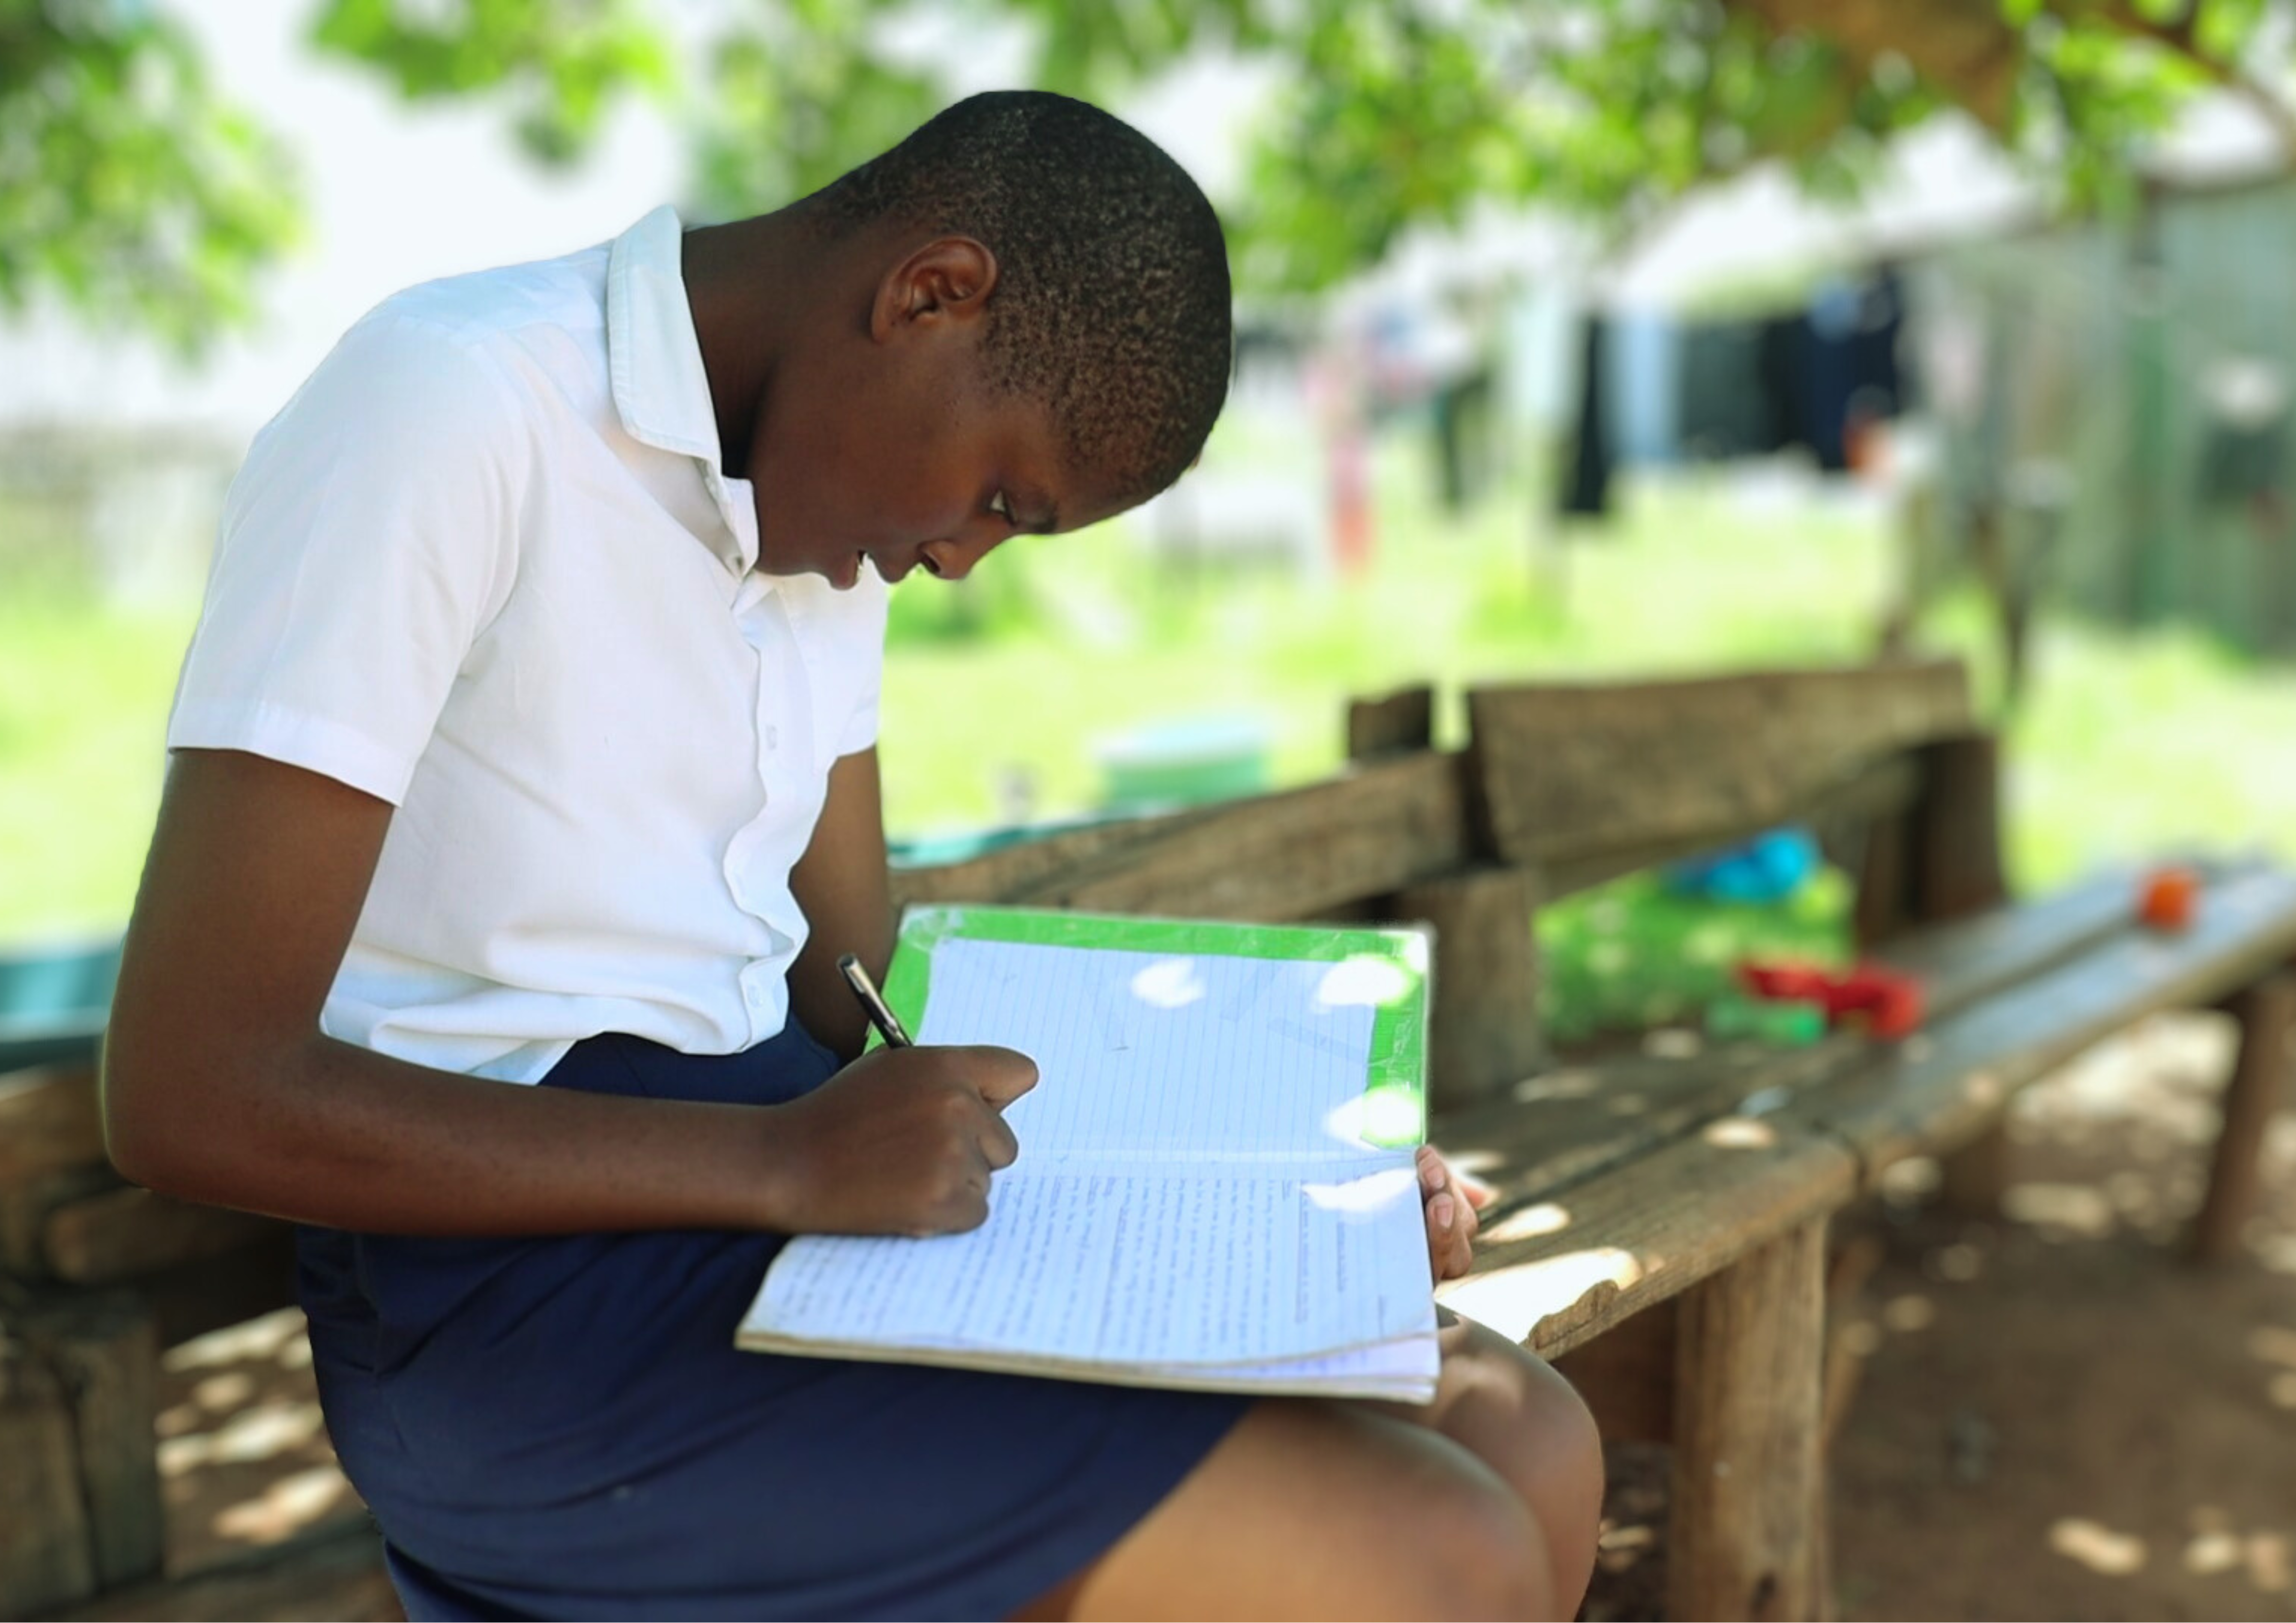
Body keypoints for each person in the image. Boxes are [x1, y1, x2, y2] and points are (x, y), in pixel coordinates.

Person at [102, 91, 1603, 1621]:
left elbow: (851, 988)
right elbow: (192, 1088)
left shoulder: (820, 512)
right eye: (1000, 499)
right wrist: (774, 1160)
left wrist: (1282, 1189)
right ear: (927, 296)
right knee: (1435, 1556)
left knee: (1524, 1436)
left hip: (794, 1204)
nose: (960, 557)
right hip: (521, 1313)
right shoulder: (450, 407)